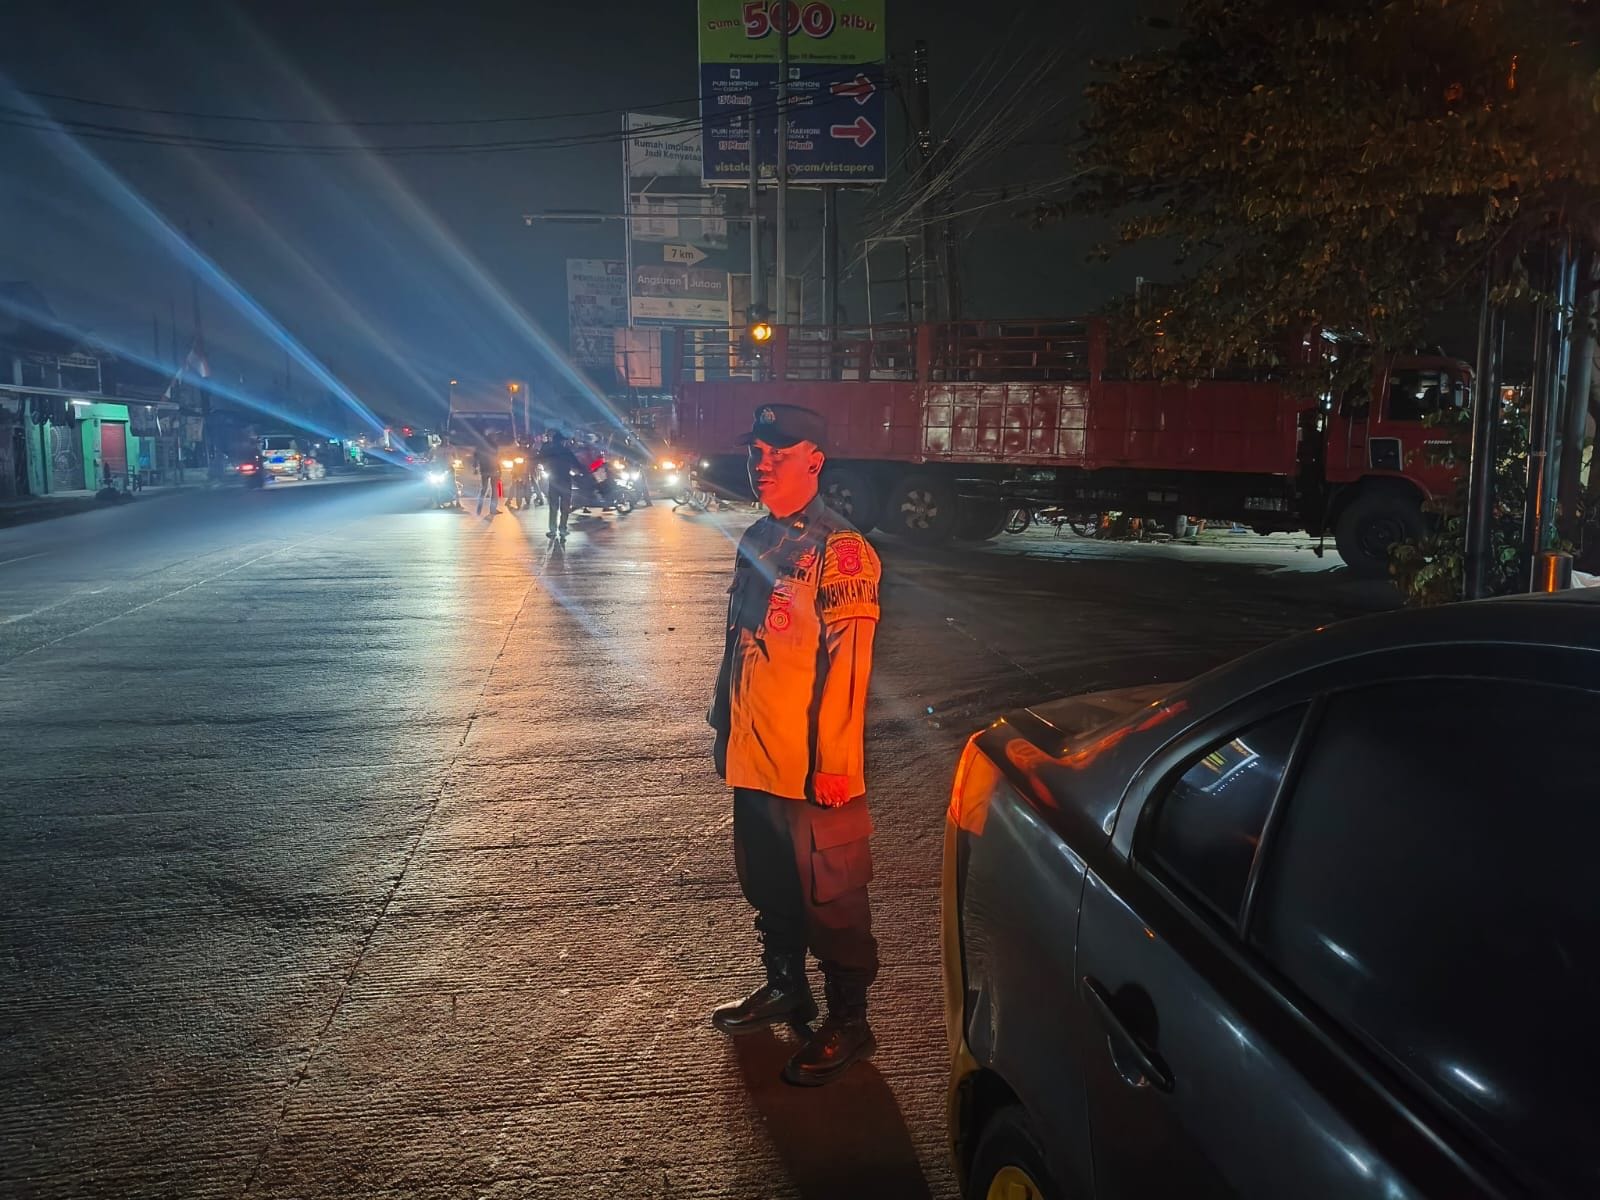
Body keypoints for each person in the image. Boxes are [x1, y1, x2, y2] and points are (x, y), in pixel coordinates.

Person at [708, 403, 883, 1087]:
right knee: (769, 884)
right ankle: (786, 987)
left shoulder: (840, 550)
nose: (762, 460)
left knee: (833, 902)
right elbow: (741, 647)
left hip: (814, 771)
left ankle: (851, 1021)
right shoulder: (759, 535)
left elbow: (848, 670)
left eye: (779, 451)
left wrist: (835, 766)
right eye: (757, 448)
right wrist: (724, 728)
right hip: (756, 756)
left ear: (815, 460)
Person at [537, 429, 580, 540]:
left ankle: (552, 530)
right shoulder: (567, 451)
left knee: (553, 507)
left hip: (553, 481)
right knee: (565, 507)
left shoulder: (549, 450)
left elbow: (540, 459)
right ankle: (563, 529)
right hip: (565, 480)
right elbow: (576, 463)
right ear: (562, 441)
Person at [472, 441, 498, 517]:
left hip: (485, 470)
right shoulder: (493, 445)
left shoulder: (480, 447)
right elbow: (496, 458)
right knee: (493, 489)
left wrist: (475, 468)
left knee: (484, 489)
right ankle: (492, 509)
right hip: (492, 470)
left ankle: (479, 508)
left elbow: (475, 458)